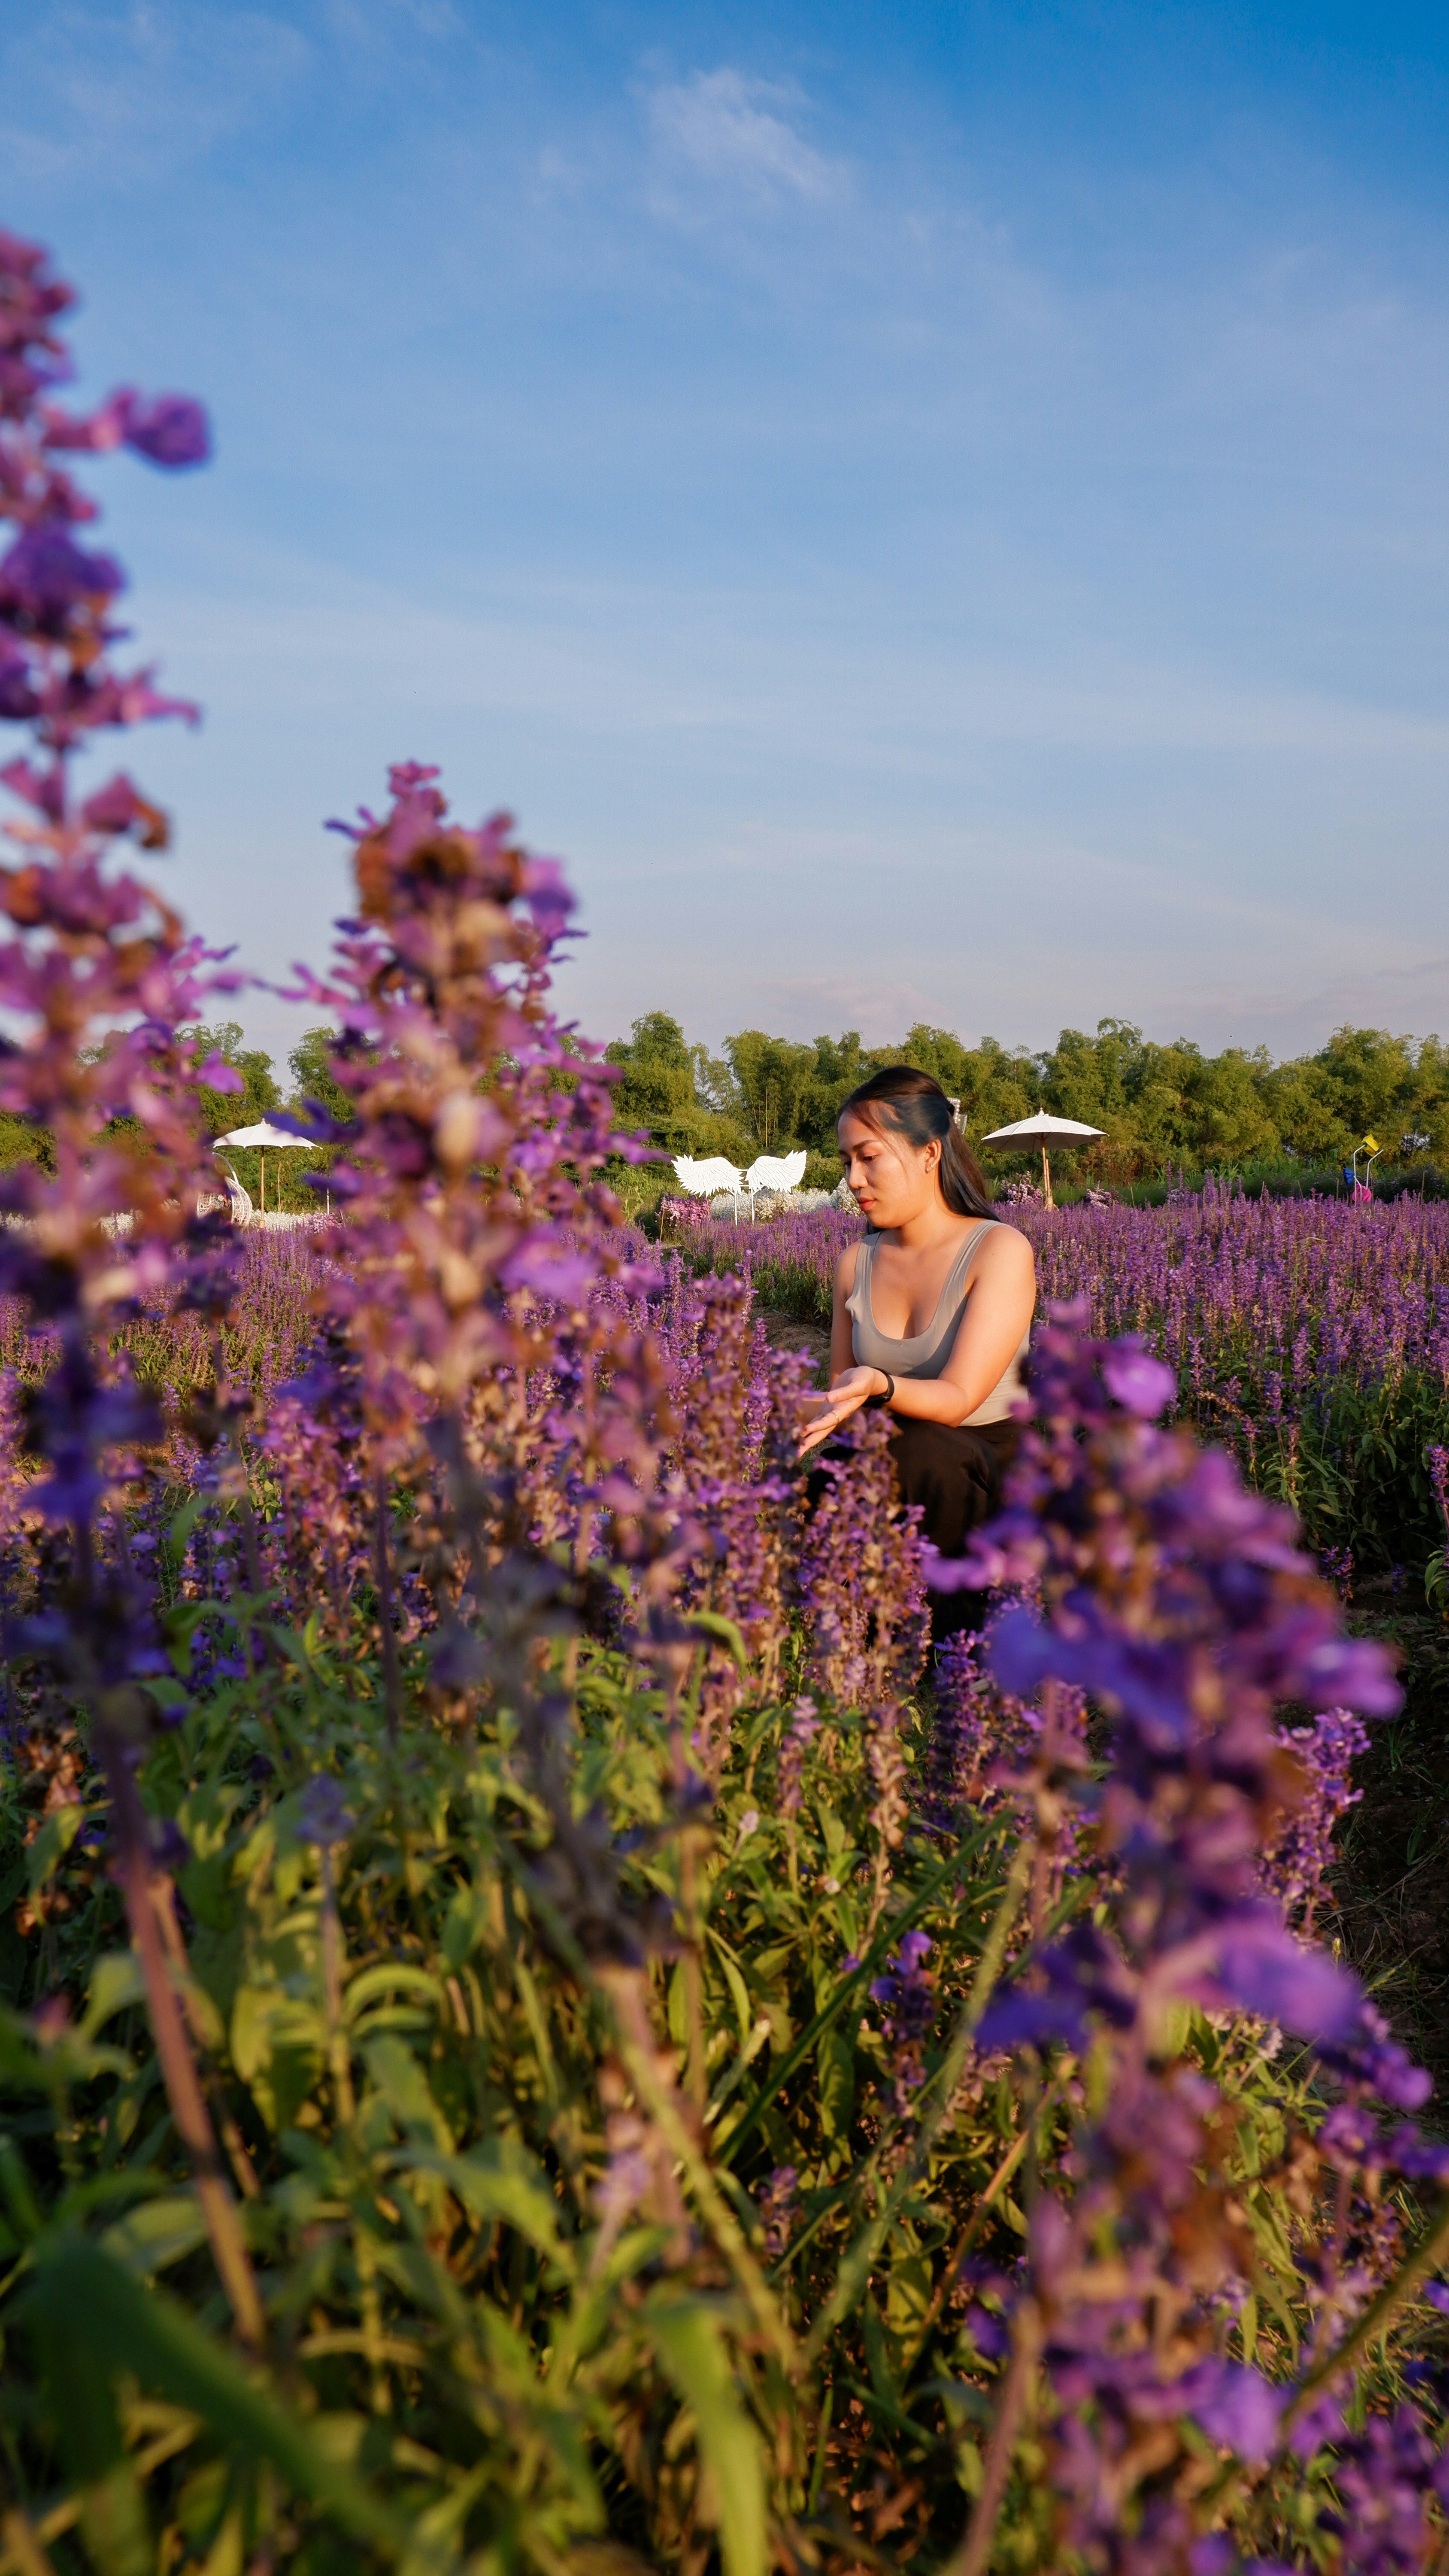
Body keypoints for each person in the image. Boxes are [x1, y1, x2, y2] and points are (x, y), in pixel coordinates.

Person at [799, 1066, 1037, 1640]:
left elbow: (956, 1401)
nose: (853, 1179)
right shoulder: (856, 1262)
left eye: (869, 1157)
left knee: (926, 1454)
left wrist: (878, 1384)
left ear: (929, 1154)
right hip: (892, 1452)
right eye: (845, 1162)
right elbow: (842, 1400)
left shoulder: (998, 1250)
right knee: (816, 1486)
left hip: (981, 1469)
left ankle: (958, 1643)